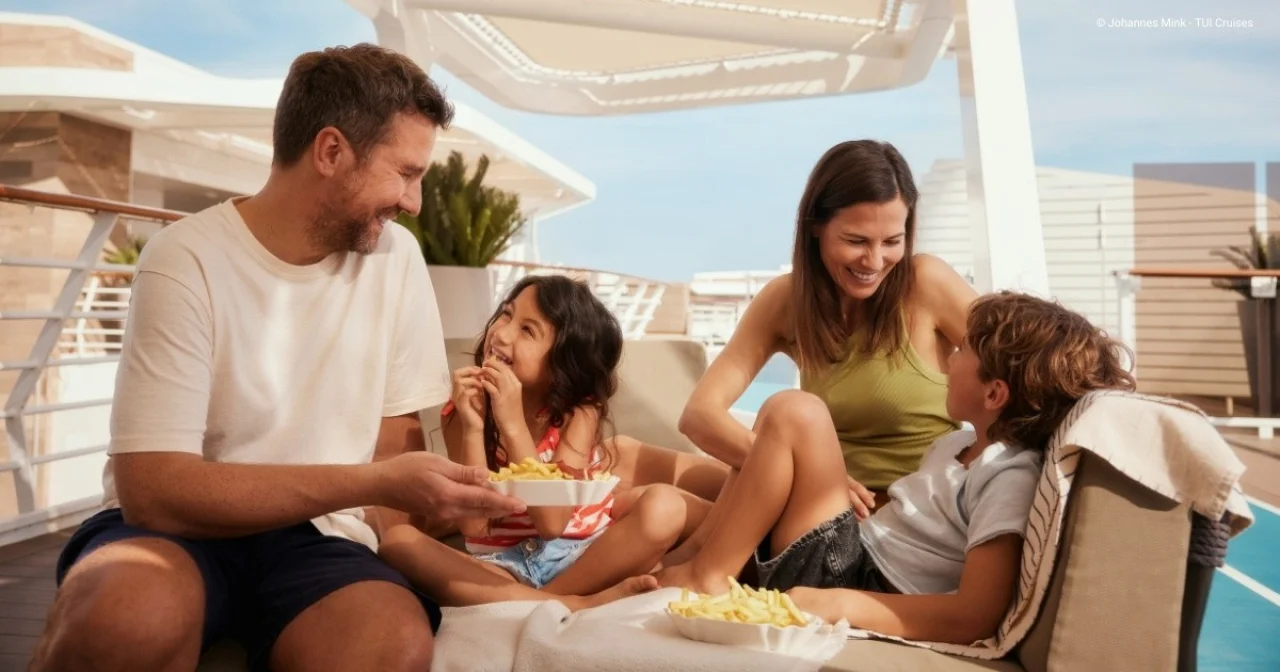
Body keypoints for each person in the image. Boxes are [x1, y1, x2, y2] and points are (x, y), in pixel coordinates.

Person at [29, 44, 525, 672]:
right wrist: (371, 483)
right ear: (330, 152)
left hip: (322, 538)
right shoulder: (186, 258)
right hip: (169, 534)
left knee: (389, 645)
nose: (415, 202)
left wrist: (430, 519)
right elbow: (152, 492)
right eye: (405, 173)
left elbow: (391, 450)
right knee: (124, 620)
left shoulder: (395, 260)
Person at [657, 291, 1137, 644]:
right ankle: (685, 567)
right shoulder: (955, 445)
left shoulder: (1008, 476)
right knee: (678, 493)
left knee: (795, 412)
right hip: (850, 555)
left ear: (994, 394)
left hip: (854, 581)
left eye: (963, 351)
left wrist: (842, 604)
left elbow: (974, 616)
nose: (950, 358)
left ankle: (707, 575)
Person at [643, 139, 979, 566]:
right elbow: (700, 416)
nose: (874, 260)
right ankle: (657, 566)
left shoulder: (925, 282)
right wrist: (814, 475)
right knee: (631, 463)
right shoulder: (787, 301)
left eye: (892, 240)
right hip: (817, 513)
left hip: (897, 535)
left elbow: (1021, 366)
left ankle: (691, 563)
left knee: (781, 417)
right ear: (816, 226)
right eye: (856, 240)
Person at [378, 275, 696, 606]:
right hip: (503, 565)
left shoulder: (579, 413)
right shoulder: (463, 411)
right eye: (506, 314)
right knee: (397, 542)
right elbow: (474, 526)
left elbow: (552, 522)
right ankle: (574, 604)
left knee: (666, 506)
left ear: (561, 364)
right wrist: (473, 428)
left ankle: (542, 601)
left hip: (584, 554)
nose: (500, 333)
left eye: (528, 331)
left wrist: (512, 424)